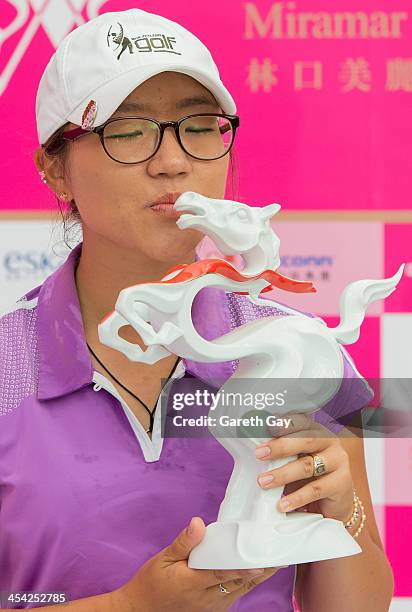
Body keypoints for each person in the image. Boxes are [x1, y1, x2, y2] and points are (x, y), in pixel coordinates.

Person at [0, 8, 394, 612]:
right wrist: (127, 607)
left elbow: (352, 602)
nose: (174, 162)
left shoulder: (298, 347)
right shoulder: (7, 366)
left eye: (200, 126)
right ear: (55, 168)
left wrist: (341, 513)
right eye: (129, 130)